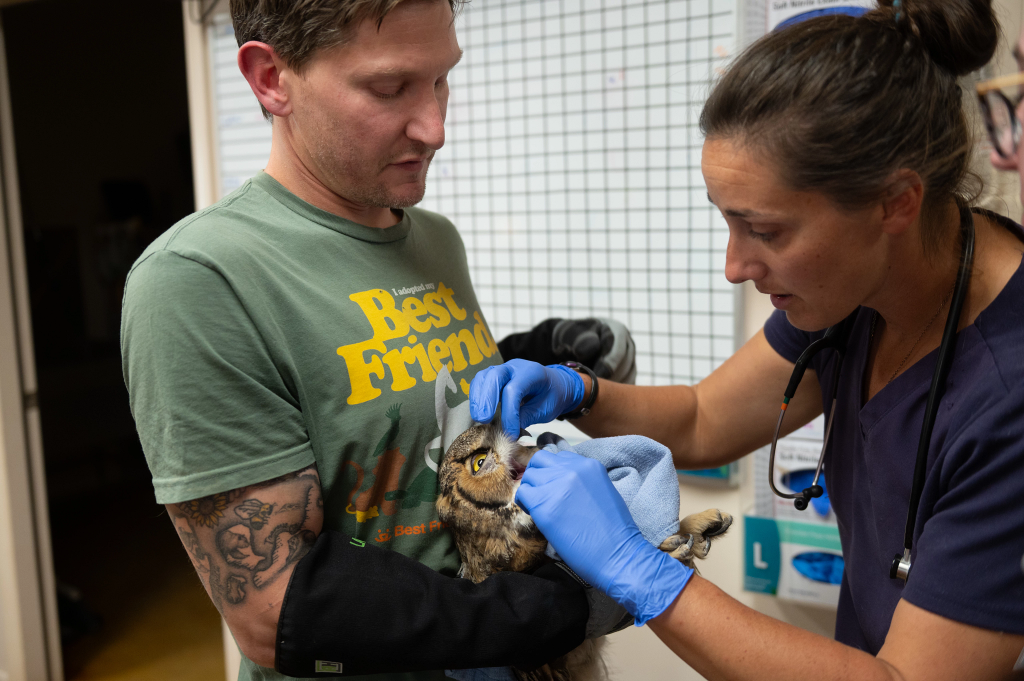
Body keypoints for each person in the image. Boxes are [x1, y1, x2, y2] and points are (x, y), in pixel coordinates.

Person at [471, 1, 1024, 679]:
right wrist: (579, 390)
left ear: (895, 202)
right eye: (728, 222)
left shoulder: (1009, 396)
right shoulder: (855, 291)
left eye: (765, 230)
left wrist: (640, 570)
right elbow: (706, 419)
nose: (735, 266)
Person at [120, 1, 607, 679]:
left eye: (441, 79)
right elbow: (274, 607)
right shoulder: (199, 279)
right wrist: (548, 612)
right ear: (270, 78)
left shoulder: (434, 239)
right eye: (389, 88)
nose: (435, 127)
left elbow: (403, 425)